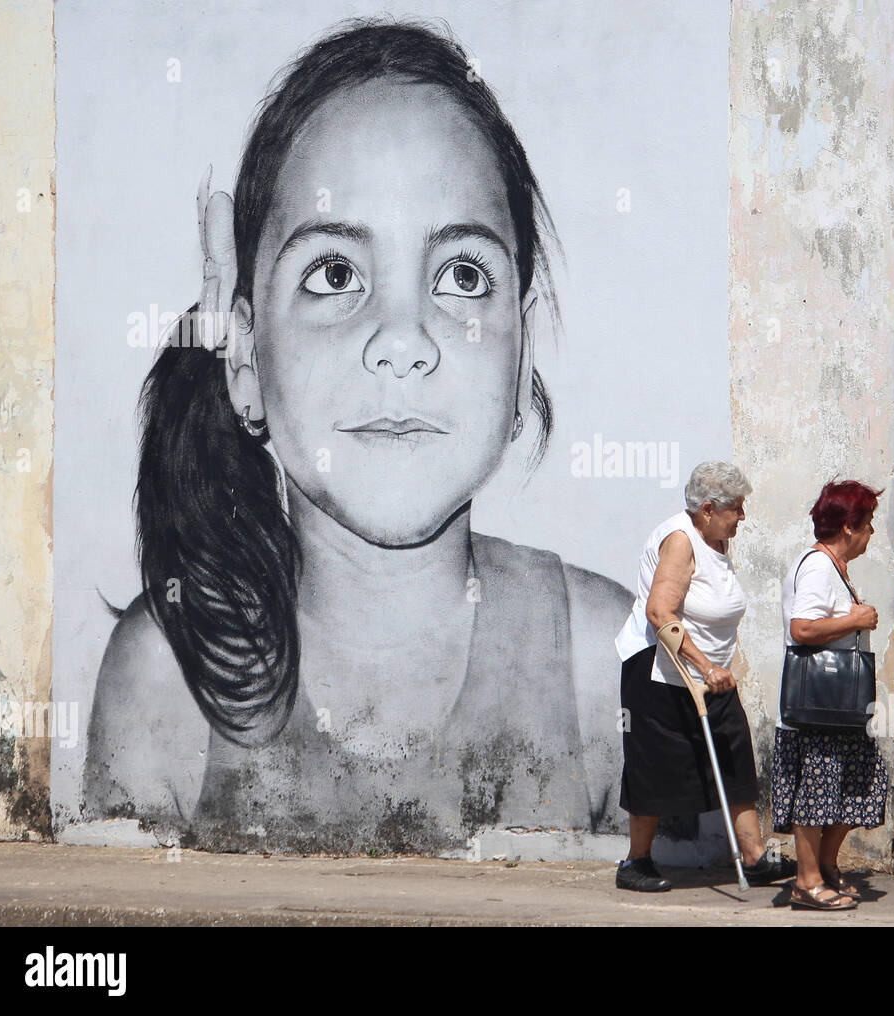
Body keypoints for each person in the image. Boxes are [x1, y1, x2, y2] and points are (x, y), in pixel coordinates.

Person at [83, 18, 632, 853]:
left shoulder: (605, 667)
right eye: (335, 274)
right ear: (245, 360)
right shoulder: (168, 681)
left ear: (520, 363)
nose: (404, 340)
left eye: (462, 275)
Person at [613, 461, 795, 891]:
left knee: (733, 752)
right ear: (709, 509)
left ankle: (753, 857)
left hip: (710, 674)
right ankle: (635, 862)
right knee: (653, 765)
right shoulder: (680, 540)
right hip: (660, 672)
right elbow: (661, 612)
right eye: (737, 508)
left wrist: (714, 668)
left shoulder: (712, 538)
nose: (743, 518)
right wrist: (706, 665)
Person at [774, 479, 888, 910]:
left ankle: (824, 867)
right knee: (818, 792)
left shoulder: (835, 568)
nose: (870, 533)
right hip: (816, 708)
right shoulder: (819, 567)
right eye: (868, 523)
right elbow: (802, 628)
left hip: (837, 707)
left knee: (860, 782)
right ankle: (806, 882)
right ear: (847, 527)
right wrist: (857, 619)